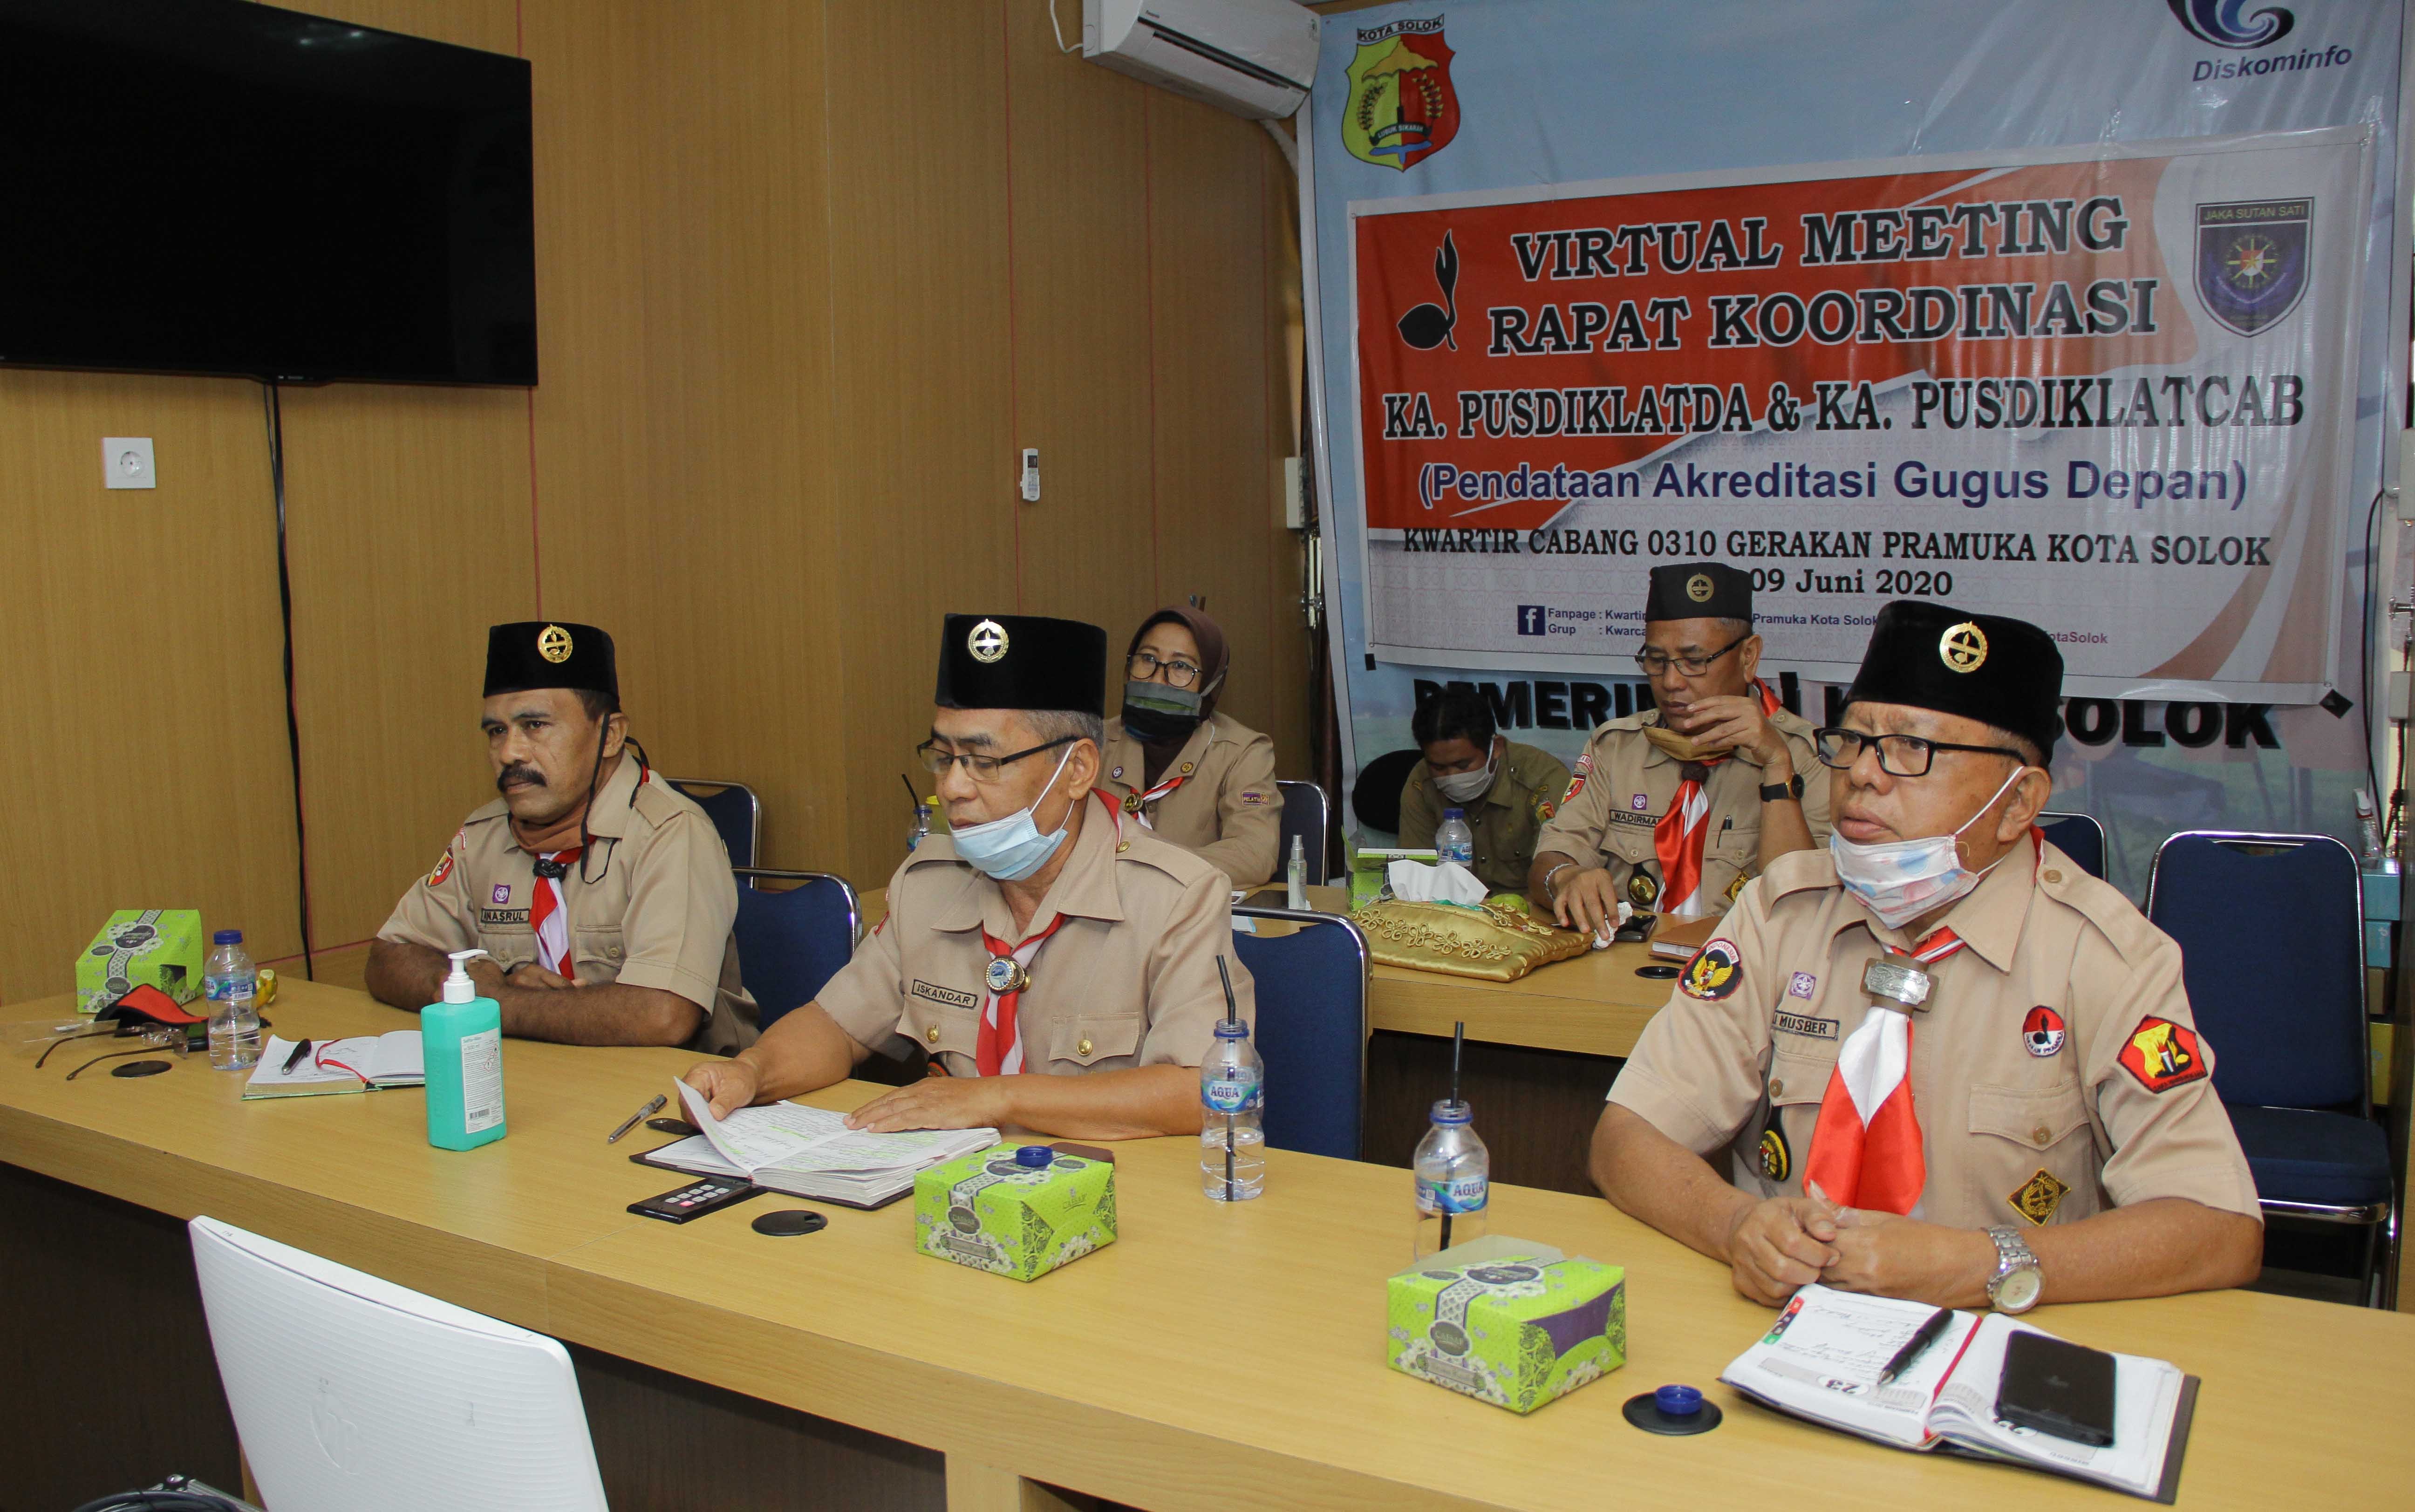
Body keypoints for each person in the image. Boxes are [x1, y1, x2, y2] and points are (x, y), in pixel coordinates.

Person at [1590, 600, 2262, 1311]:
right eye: (1853, 741)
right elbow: (1626, 1138)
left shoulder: (2104, 956)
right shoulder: (1779, 912)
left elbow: (2219, 1228)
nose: (1863, 776)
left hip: (1998, 1353)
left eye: (1914, 750)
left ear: (2017, 803)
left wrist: (1980, 1264)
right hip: (1775, 1329)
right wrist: (1738, 1228)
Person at [683, 613, 1254, 1139]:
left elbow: (1198, 1091)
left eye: (984, 762)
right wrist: (752, 1072)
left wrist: (997, 1099)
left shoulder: (1177, 896)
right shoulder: (927, 882)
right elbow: (838, 1026)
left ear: (1077, 769)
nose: (952, 787)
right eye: (943, 757)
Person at [367, 622, 757, 1051]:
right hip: (538, 1080)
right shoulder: (483, 834)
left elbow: (662, 1017)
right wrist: (457, 980)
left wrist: (493, 1003)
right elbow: (390, 955)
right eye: (496, 731)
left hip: (673, 1092)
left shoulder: (671, 833)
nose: (509, 753)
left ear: (609, 735)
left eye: (535, 725)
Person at [1528, 562, 1829, 930]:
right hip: (1630, 970)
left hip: (1748, 972)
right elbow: (1553, 855)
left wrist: (1777, 766)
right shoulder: (1617, 747)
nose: (1671, 682)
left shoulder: (1808, 755)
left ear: (1748, 657)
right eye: (1657, 661)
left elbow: (1804, 909)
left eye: (1695, 661)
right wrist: (1566, 877)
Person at [1098, 606, 1281, 887]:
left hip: (1189, 914)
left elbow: (1254, 854)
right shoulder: (1095, 742)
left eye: (1181, 666)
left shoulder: (1244, 751)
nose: (1159, 679)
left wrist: (1152, 866)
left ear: (1211, 683)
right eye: (1148, 659)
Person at [1396, 686, 1572, 895]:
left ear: (1495, 748)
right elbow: (1417, 876)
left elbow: (1558, 878)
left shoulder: (1543, 780)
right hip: (1451, 910)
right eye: (1438, 767)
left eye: (1463, 765)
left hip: (1532, 912)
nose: (1450, 777)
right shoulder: (1421, 782)